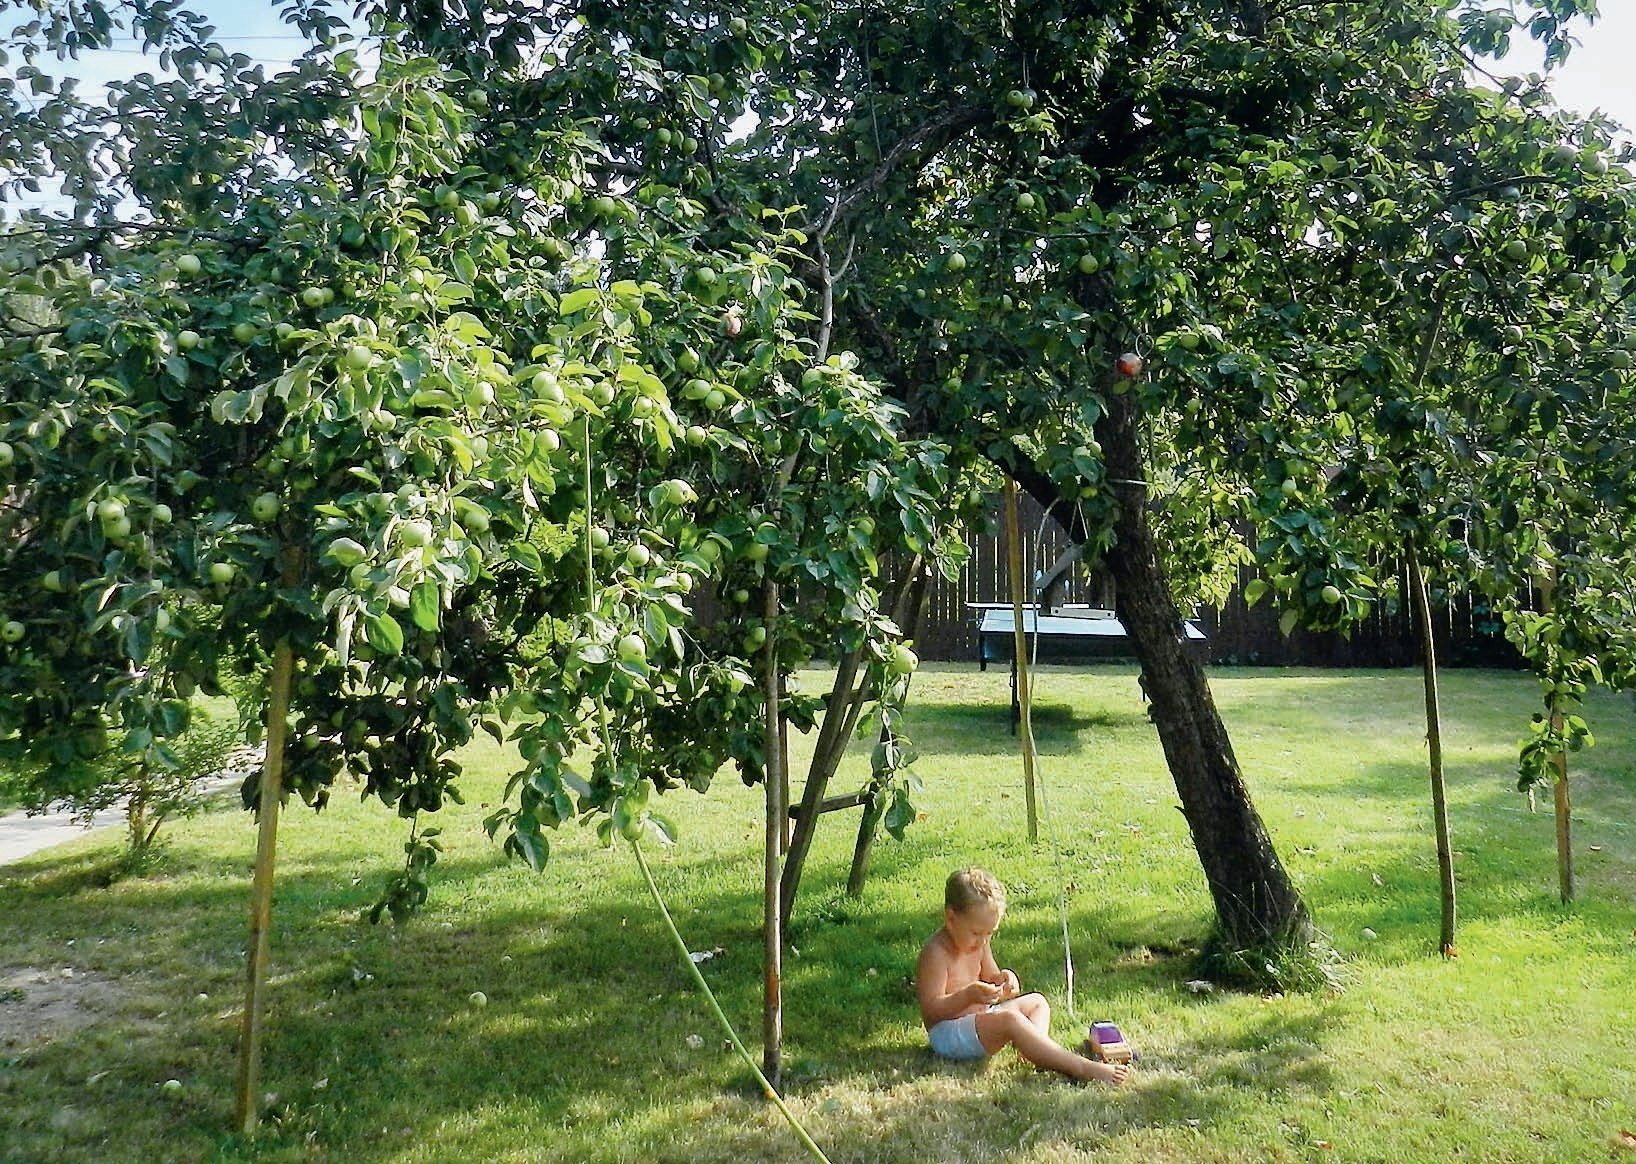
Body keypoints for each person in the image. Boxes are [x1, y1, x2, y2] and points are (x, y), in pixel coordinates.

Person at [916, 866, 1128, 1085]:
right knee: (1010, 1020)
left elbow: (992, 977)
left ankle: (1038, 1050)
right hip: (948, 1034)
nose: (983, 940)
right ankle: (1080, 1067)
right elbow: (932, 1010)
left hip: (980, 1021)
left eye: (989, 933)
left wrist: (1005, 980)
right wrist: (967, 996)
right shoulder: (936, 953)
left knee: (1037, 1002)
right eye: (977, 933)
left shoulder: (979, 944)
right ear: (951, 918)